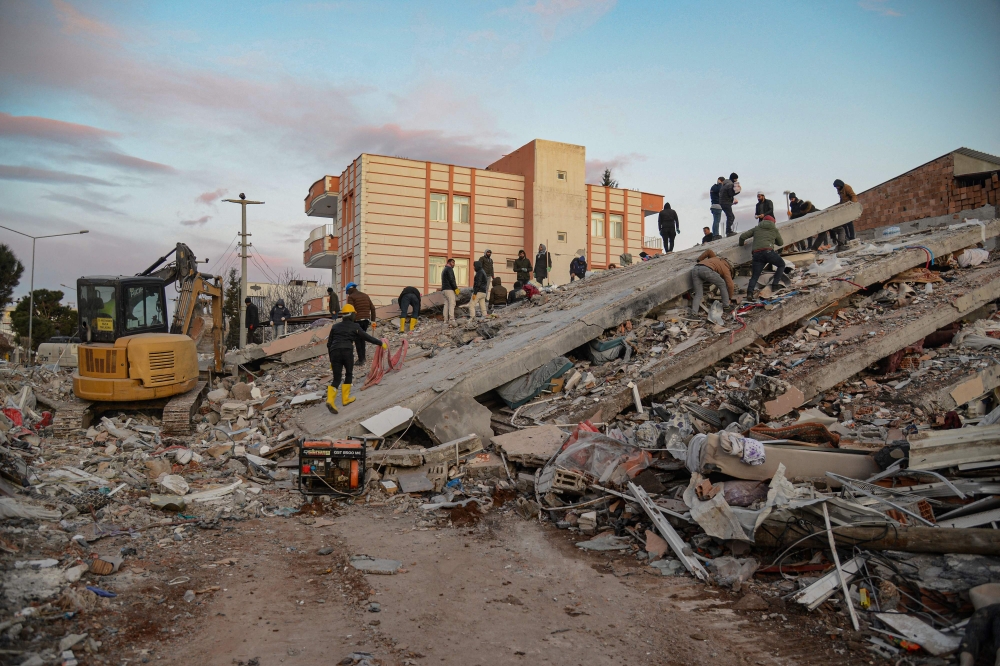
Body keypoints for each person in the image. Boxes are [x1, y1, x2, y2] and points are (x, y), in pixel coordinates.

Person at [324, 304, 387, 414]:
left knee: (336, 378)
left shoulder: (335, 327)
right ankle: (345, 399)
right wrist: (380, 343)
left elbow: (329, 344)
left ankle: (330, 400)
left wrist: (331, 360)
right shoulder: (355, 326)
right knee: (348, 374)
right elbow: (367, 337)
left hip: (334, 352)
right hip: (347, 351)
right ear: (352, 315)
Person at [738, 215, 786, 301]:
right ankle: (775, 285)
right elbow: (780, 243)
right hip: (768, 252)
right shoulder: (774, 229)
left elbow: (742, 237)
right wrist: (772, 238)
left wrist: (741, 244)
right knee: (781, 264)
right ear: (773, 222)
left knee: (755, 276)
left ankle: (749, 293)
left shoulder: (757, 228)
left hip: (757, 254)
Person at [690, 249, 736, 315]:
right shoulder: (726, 269)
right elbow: (730, 285)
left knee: (698, 294)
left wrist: (699, 260)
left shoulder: (715, 258)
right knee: (722, 283)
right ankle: (726, 307)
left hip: (695, 269)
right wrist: (729, 298)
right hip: (706, 270)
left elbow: (709, 251)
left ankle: (694, 314)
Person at [345, 283, 376, 363]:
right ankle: (363, 358)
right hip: (366, 320)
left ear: (349, 290)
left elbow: (350, 310)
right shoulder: (365, 295)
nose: (348, 294)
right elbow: (372, 308)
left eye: (347, 292)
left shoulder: (351, 297)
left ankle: (361, 359)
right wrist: (373, 320)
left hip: (357, 320)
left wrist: (349, 322)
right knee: (363, 338)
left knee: (358, 340)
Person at [719, 172, 740, 236]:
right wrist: (738, 191)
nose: (736, 181)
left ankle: (728, 230)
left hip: (723, 202)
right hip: (726, 203)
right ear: (734, 179)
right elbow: (730, 194)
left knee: (730, 216)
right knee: (730, 217)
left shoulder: (725, 184)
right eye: (736, 179)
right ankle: (728, 231)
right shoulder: (730, 184)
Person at [440, 258, 459, 326]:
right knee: (452, 303)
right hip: (449, 289)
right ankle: (451, 319)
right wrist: (455, 288)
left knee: (446, 304)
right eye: (453, 262)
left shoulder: (444, 270)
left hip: (444, 289)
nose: (454, 264)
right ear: (449, 263)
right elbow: (452, 279)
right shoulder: (449, 269)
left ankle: (445, 319)